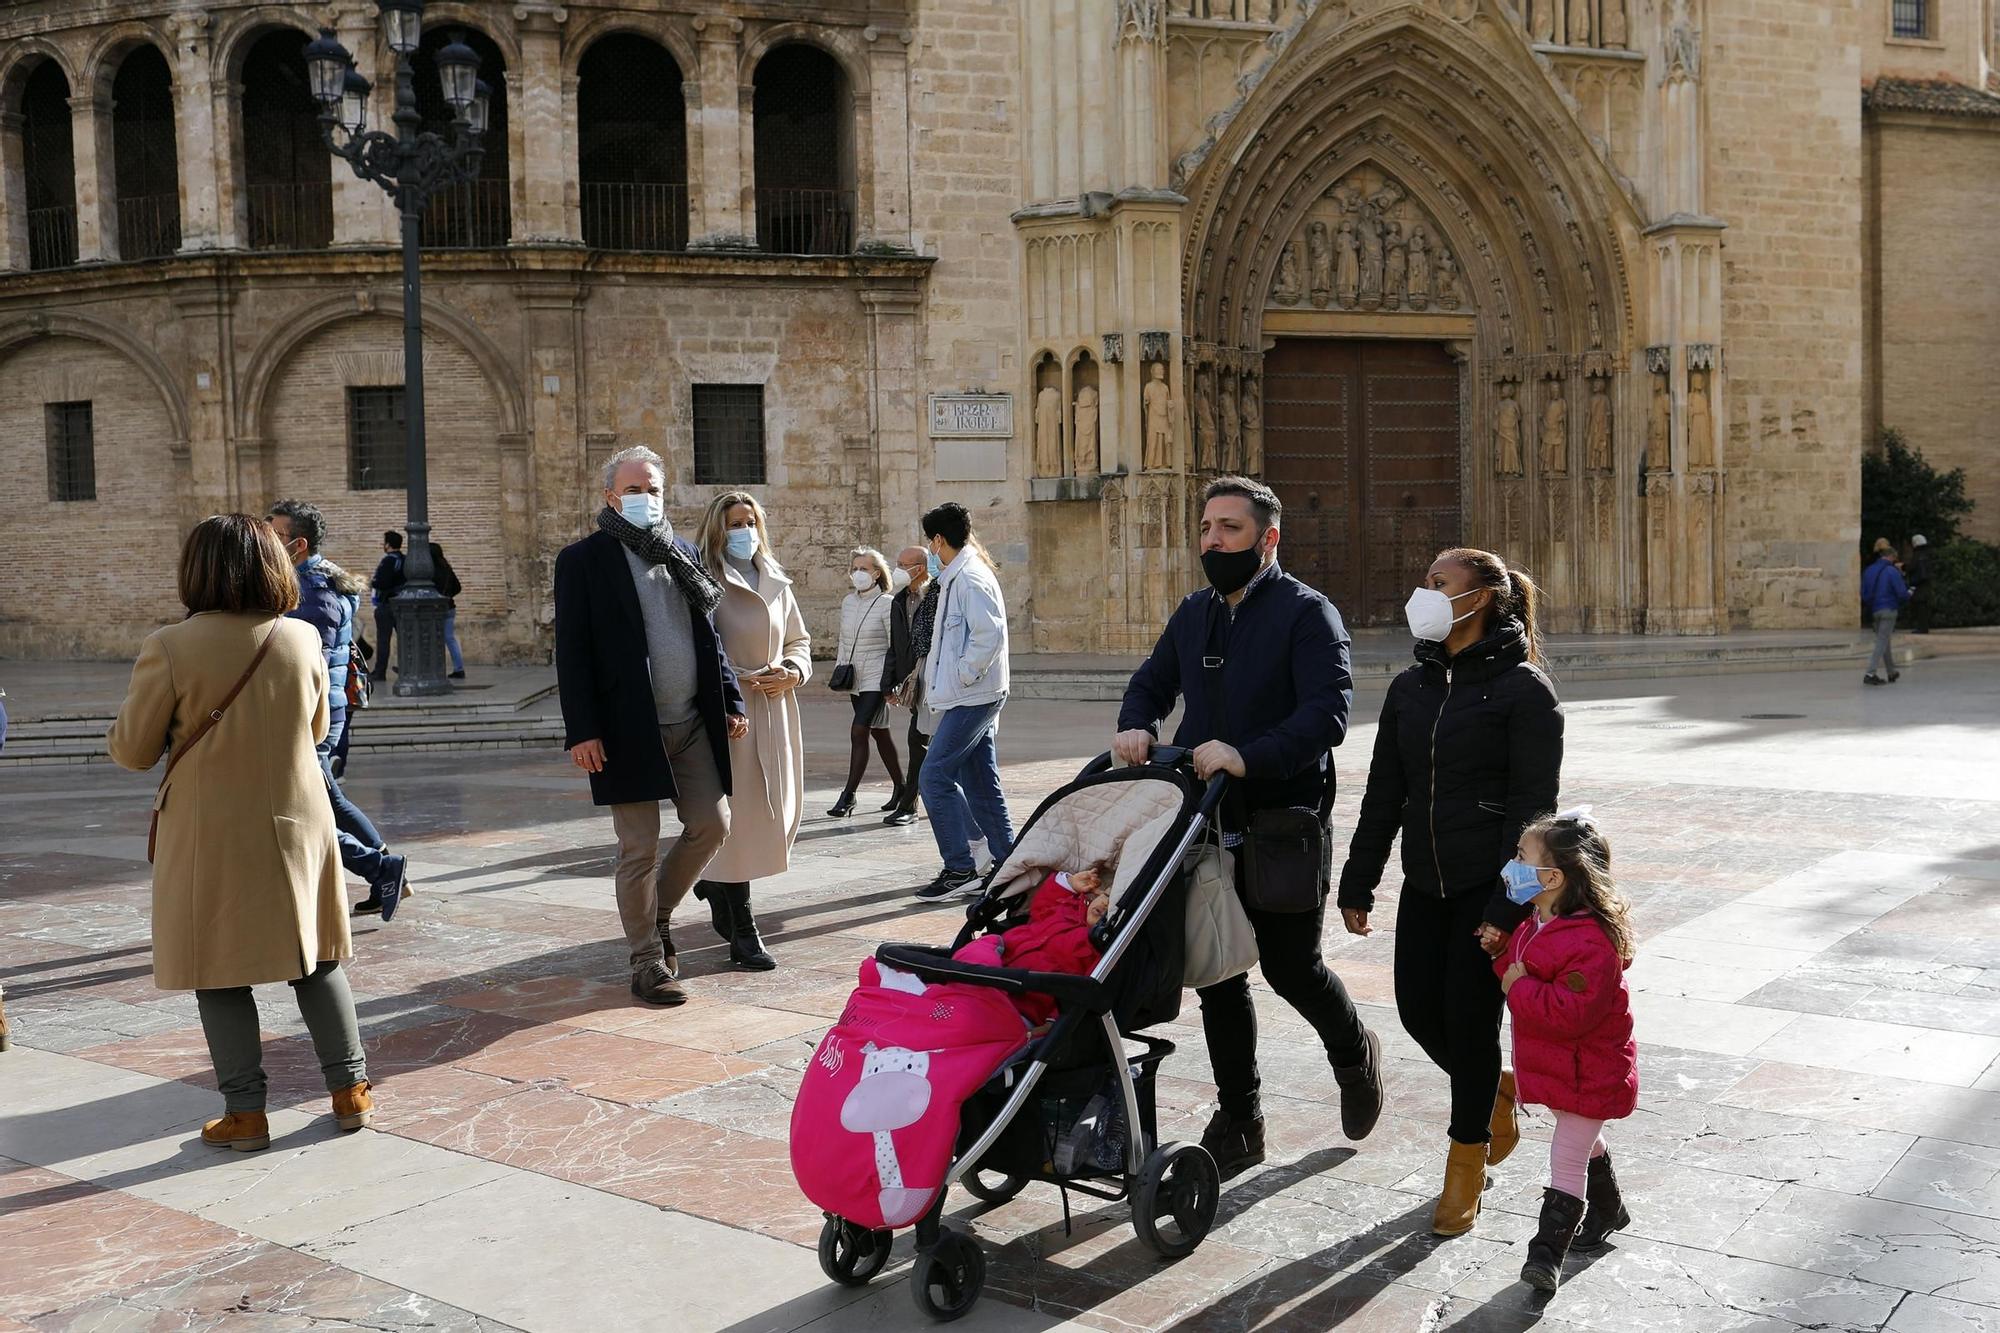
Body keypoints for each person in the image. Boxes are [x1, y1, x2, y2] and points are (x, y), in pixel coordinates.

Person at [1115, 475, 1385, 1179]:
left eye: (1229, 529)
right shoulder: (1194, 613)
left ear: (1268, 538)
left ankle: (1355, 1054)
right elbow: (1151, 682)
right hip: (1200, 821)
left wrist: (1248, 755)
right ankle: (1242, 1117)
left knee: (1293, 966)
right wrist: (1137, 724)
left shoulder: (1308, 614)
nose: (1213, 541)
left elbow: (1328, 714)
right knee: (1218, 973)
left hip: (1280, 822)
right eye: (1206, 528)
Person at [108, 514, 375, 1152]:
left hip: (209, 827)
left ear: (196, 570)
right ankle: (350, 1092)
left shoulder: (171, 645)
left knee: (219, 969)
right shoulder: (303, 637)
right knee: (315, 956)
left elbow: (134, 750)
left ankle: (246, 1115)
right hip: (297, 818)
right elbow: (315, 729)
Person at [1338, 546, 1563, 1237]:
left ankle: (1467, 1160)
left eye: (1439, 583)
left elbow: (1535, 818)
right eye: (1424, 580)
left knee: (1469, 1022)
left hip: (1484, 888)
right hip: (1425, 881)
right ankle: (1494, 1089)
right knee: (1415, 1010)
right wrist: (1359, 876)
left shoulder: (1526, 693)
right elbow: (1385, 792)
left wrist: (1505, 907)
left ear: (1482, 598)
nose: (1424, 593)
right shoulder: (1412, 687)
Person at [554, 446, 747, 1007]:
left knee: (713, 824)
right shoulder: (584, 561)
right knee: (637, 848)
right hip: (624, 728)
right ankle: (647, 961)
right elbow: (573, 651)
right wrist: (582, 730)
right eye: (635, 489)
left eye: (655, 489)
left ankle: (656, 914)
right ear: (610, 495)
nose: (647, 498)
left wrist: (730, 696)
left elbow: (708, 634)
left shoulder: (682, 554)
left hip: (689, 720)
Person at [1494, 810, 1638, 1292]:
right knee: (1579, 1139)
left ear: (1552, 877)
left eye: (1520, 857)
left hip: (1589, 1070)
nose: (1510, 866)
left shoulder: (1589, 941)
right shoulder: (1538, 920)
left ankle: (1546, 1253)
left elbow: (1568, 1011)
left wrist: (1516, 986)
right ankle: (1608, 1208)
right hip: (1563, 1067)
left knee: (1567, 1154)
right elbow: (1516, 969)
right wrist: (1500, 957)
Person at [267, 501, 409, 922]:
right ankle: (385, 871)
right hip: (319, 711)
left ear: (298, 544)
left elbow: (301, 658)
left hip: (310, 714)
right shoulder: (314, 579)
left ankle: (381, 868)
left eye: (275, 537)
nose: (266, 545)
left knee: (306, 810)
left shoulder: (311, 592)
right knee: (330, 800)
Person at [689, 491, 810, 971]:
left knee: (774, 812)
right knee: (736, 822)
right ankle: (743, 932)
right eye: (736, 523)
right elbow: (696, 645)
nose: (746, 531)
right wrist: (727, 688)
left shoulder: (777, 578)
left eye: (752, 522)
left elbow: (799, 638)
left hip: (775, 706)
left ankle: (714, 882)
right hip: (729, 711)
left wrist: (793, 671)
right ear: (718, 528)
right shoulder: (702, 578)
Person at [912, 503, 1015, 899]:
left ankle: (960, 867)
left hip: (973, 696)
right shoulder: (957, 577)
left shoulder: (970, 578)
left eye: (929, 542)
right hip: (968, 694)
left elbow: (988, 637)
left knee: (933, 776)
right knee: (981, 782)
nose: (929, 551)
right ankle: (1007, 864)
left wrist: (961, 677)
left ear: (939, 540)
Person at [829, 548, 904, 817]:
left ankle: (848, 796)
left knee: (858, 731)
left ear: (876, 572)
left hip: (876, 677)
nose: (858, 573)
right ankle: (902, 787)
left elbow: (894, 644)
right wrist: (839, 669)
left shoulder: (886, 603)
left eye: (864, 568)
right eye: (855, 568)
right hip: (854, 678)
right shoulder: (848, 602)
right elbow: (843, 640)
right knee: (878, 731)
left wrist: (892, 683)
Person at [882, 545, 937, 826]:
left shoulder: (936, 597)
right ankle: (911, 803)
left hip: (936, 679)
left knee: (920, 742)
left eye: (905, 564)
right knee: (920, 742)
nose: (899, 569)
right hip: (913, 682)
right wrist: (889, 684)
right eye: (898, 562)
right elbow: (896, 645)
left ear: (921, 567)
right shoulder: (899, 600)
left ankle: (910, 804)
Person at [1862, 537, 1910, 685]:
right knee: (1882, 641)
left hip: (1874, 610)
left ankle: (1891, 672)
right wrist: (1909, 593)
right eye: (1894, 558)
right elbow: (1902, 593)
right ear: (1891, 556)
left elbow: (1863, 592)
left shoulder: (1869, 570)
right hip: (1888, 609)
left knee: (1885, 641)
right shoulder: (1891, 571)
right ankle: (1870, 673)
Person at [368, 531, 405, 682]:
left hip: (387, 605)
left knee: (383, 640)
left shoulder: (388, 561)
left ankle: (380, 671)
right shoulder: (405, 559)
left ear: (388, 544)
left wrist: (372, 583)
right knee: (404, 639)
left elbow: (381, 582)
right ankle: (405, 668)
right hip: (402, 605)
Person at [431, 540, 466, 679]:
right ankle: (459, 668)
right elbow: (458, 587)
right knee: (449, 638)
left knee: (432, 639)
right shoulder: (447, 568)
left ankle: (435, 668)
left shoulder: (431, 571)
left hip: (435, 609)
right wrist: (447, 596)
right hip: (449, 607)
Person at [1907, 533, 1934, 635]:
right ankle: (1923, 627)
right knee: (1923, 607)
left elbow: (1913, 568)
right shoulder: (1927, 554)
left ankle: (1921, 628)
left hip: (1919, 584)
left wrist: (1905, 568)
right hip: (1926, 584)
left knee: (1920, 607)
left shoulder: (1918, 554)